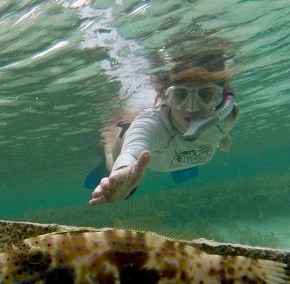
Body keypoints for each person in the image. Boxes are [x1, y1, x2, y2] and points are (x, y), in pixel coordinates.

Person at [89, 47, 240, 206]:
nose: (192, 108)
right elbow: (131, 151)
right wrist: (123, 171)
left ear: (221, 99)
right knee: (111, 155)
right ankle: (106, 153)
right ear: (165, 97)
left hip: (172, 155)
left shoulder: (229, 115)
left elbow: (223, 130)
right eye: (180, 95)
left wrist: (224, 138)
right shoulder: (151, 126)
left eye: (206, 94)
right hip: (124, 141)